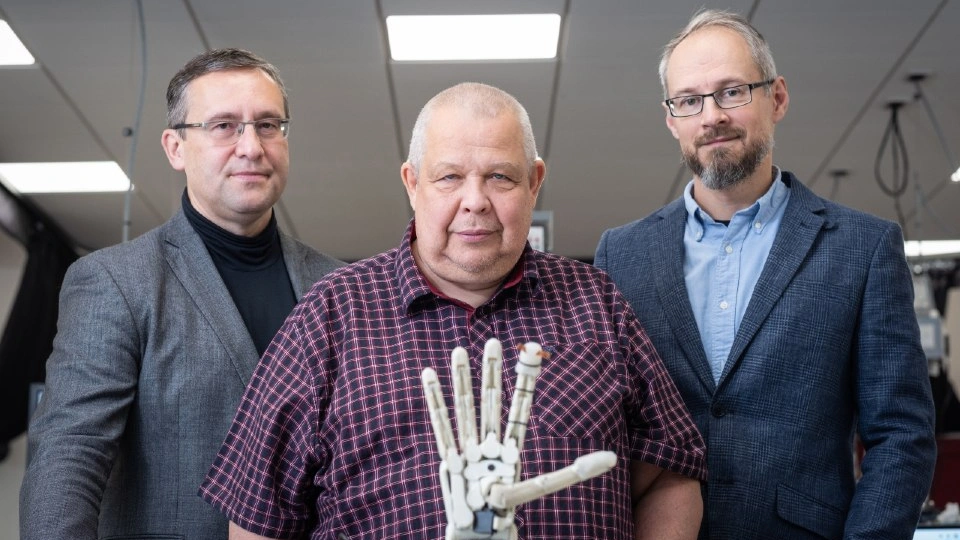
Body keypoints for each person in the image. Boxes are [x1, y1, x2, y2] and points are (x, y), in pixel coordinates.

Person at [199, 82, 707, 540]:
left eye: (500, 177)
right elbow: (258, 519)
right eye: (449, 177)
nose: (475, 201)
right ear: (412, 183)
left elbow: (669, 476)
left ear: (534, 182)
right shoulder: (331, 314)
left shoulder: (596, 303)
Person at [595, 9, 937, 540]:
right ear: (671, 120)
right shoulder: (621, 255)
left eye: (732, 92)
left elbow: (901, 435)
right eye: (689, 100)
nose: (711, 116)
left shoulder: (862, 248)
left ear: (776, 98)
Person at [19, 48, 343, 539]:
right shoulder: (116, 282)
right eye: (224, 126)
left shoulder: (339, 288)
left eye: (268, 125)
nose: (251, 146)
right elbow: (70, 452)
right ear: (175, 148)